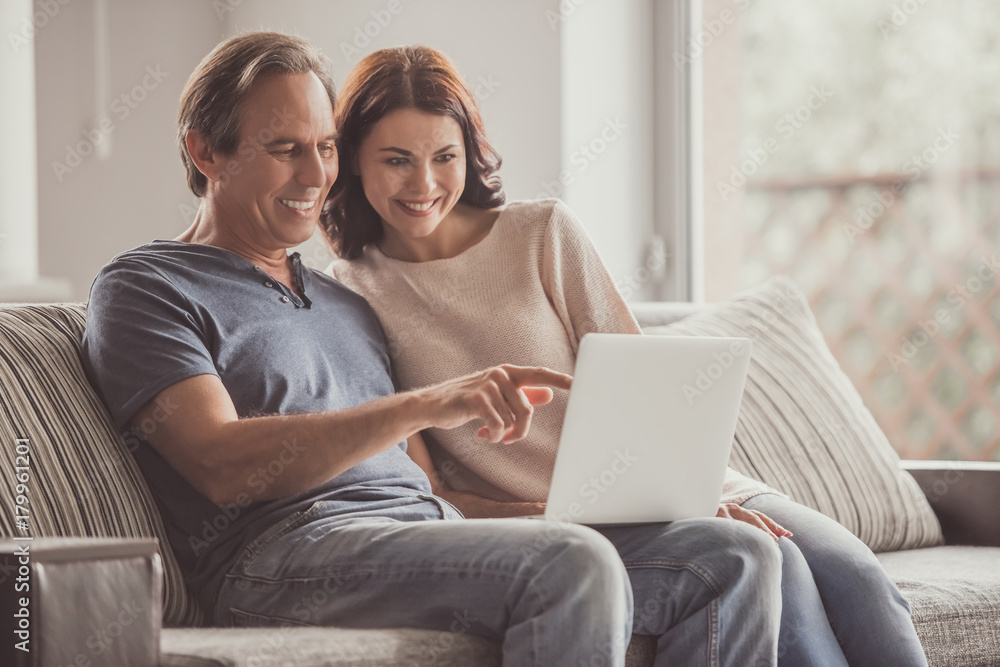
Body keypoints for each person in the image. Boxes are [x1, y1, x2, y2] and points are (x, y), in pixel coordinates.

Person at [80, 32, 784, 667]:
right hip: (283, 555)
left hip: (419, 534)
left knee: (732, 553)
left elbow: (433, 496)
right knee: (567, 563)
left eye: (325, 147)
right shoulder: (148, 286)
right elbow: (219, 464)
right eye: (284, 147)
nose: (314, 174)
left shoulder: (343, 302)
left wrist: (602, 513)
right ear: (206, 151)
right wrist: (424, 403)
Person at [323, 45, 929, 667]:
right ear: (351, 163)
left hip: (681, 489)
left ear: (467, 155)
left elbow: (648, 392)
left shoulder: (542, 233)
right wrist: (566, 517)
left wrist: (688, 501)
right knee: (784, 581)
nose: (424, 184)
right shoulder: (346, 294)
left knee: (861, 580)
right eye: (396, 161)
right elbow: (430, 490)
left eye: (443, 157)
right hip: (554, 527)